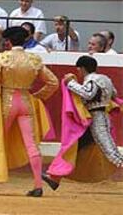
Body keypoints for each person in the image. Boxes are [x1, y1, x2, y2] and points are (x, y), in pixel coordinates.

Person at [0, 26, 58, 197]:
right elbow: (53, 82)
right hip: (26, 102)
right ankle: (38, 185)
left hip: (7, 103)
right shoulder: (34, 59)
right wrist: (37, 96)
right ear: (24, 41)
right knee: (32, 145)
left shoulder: (3, 58)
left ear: (8, 42)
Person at [43, 56, 123, 190]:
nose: (78, 72)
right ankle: (54, 177)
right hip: (94, 119)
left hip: (98, 119)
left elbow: (88, 94)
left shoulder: (92, 80)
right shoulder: (105, 79)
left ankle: (55, 177)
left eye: (78, 69)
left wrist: (71, 84)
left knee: (111, 152)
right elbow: (113, 94)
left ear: (82, 68)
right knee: (73, 146)